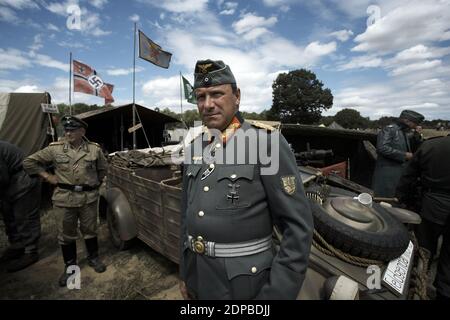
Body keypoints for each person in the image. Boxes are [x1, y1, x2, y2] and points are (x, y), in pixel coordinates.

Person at [179, 59, 313, 300]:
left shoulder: (266, 143)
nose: (208, 105)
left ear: (237, 96)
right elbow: (185, 217)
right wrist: (185, 275)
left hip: (245, 288)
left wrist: (276, 295)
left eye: (217, 94)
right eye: (201, 97)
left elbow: (297, 229)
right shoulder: (194, 147)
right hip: (199, 279)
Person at [23, 115, 107, 287]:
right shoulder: (55, 149)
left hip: (87, 198)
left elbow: (102, 169)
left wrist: (93, 184)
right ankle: (70, 267)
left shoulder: (94, 149)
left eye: (72, 130)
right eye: (66, 130)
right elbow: (29, 162)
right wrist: (47, 176)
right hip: (64, 199)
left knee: (90, 230)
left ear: (82, 131)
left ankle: (93, 258)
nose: (68, 133)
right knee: (66, 234)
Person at [396, 134, 450, 300]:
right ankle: (444, 292)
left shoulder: (432, 145)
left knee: (423, 252)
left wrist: (402, 197)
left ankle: (417, 286)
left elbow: (409, 175)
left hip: (432, 206)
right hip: (433, 203)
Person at [0, 141, 41, 272]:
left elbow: (2, 178)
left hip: (22, 178)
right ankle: (17, 245)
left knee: (24, 217)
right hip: (11, 182)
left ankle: (30, 251)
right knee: (9, 215)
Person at [371, 109, 424, 197]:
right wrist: (404, 155)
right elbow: (382, 148)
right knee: (384, 198)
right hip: (387, 174)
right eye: (415, 123)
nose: (415, 126)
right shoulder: (389, 130)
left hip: (398, 173)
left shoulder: (403, 133)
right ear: (406, 121)